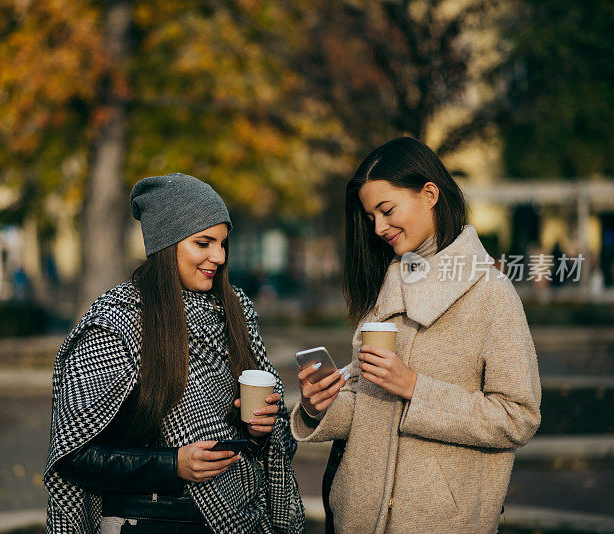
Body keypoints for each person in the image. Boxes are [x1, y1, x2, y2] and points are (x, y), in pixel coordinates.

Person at [291, 137, 541, 533]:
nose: (378, 228)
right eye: (370, 216)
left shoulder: (491, 293)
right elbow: (368, 405)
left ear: (429, 193)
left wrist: (415, 388)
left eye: (387, 210)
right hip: (358, 519)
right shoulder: (385, 288)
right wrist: (321, 406)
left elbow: (518, 417)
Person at [44, 173, 304, 534]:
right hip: (146, 523)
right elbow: (73, 454)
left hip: (240, 519)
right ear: (166, 245)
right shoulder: (116, 322)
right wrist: (171, 465)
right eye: (203, 242)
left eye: (223, 243)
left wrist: (260, 429)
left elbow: (272, 444)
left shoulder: (234, 311)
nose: (219, 256)